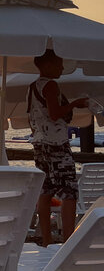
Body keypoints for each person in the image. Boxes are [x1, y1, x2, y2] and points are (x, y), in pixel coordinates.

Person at [28, 48, 89, 244]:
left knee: (45, 191)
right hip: (56, 145)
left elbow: (34, 116)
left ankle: (46, 238)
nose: (62, 67)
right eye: (59, 64)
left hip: (40, 144)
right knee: (69, 193)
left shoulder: (32, 87)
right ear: (47, 65)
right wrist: (75, 104)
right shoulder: (51, 85)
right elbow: (55, 114)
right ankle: (68, 241)